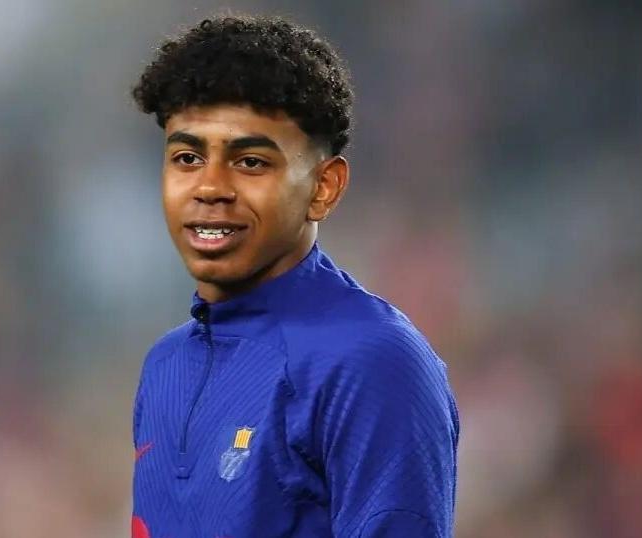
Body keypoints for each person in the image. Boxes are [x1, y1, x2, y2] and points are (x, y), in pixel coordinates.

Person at [130, 14, 458, 538]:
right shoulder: (164, 366)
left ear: (324, 187)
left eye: (251, 162)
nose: (209, 188)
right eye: (188, 158)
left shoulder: (370, 362)